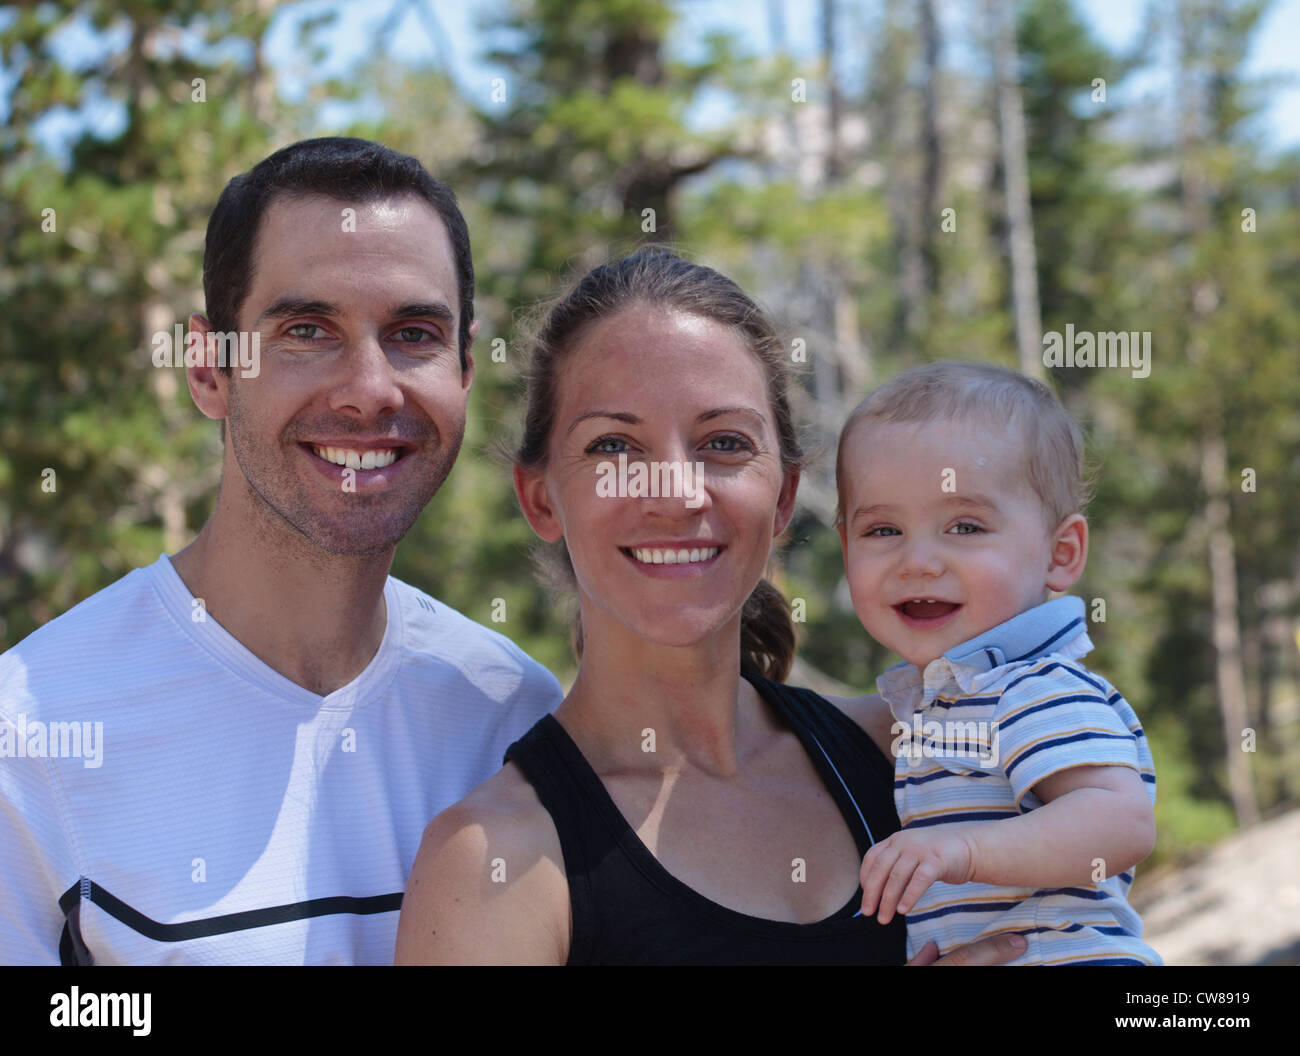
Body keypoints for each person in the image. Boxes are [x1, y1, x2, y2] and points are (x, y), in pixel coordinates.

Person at [0, 138, 562, 965]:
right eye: (307, 330)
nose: (371, 388)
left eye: (413, 333)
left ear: (467, 366)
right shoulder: (33, 731)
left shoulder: (512, 713)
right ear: (208, 367)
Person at [394, 248, 1027, 966]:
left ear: (784, 495)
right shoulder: (495, 859)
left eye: (723, 443)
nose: (677, 494)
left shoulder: (914, 754)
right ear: (541, 498)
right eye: (615, 446)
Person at [837, 361, 1161, 965]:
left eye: (964, 525)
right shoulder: (948, 697)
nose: (919, 561)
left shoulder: (1033, 685)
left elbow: (1121, 823)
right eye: (883, 529)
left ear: (1059, 555)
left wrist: (962, 849)